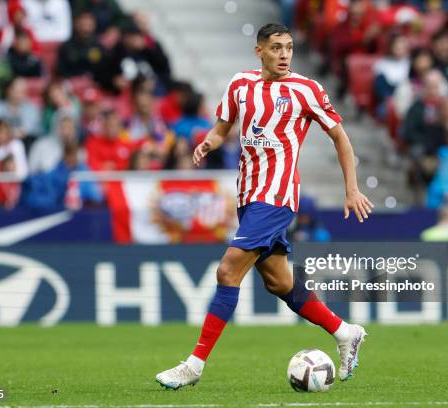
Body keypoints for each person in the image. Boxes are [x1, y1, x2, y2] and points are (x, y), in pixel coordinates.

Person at [155, 23, 374, 390]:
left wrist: (350, 188)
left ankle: (194, 365)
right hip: (248, 197)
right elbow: (222, 129)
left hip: (276, 196)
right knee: (279, 282)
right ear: (260, 52)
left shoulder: (307, 90)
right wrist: (208, 143)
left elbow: (340, 137)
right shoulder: (241, 85)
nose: (284, 54)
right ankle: (344, 331)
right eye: (276, 48)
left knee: (228, 272)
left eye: (288, 47)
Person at [0, 76, 43, 145]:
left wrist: (11, 133)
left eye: (24, 91)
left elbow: (28, 131)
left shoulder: (31, 108)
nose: (22, 94)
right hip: (2, 143)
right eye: (18, 91)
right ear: (9, 90)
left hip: (27, 143)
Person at [56, 10, 104, 78]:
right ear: (76, 24)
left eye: (89, 25)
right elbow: (61, 71)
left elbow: (103, 72)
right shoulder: (66, 47)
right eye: (83, 24)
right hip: (72, 83)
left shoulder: (100, 48)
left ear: (94, 25)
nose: (86, 29)